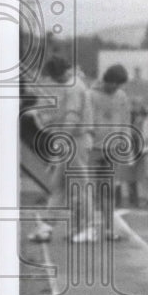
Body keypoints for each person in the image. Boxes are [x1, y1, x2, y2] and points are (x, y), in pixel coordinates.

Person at [27, 54, 94, 243]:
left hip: (77, 140)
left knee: (79, 185)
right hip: (71, 139)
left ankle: (88, 228)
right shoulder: (72, 84)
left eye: (52, 75)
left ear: (58, 73)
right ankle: (47, 226)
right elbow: (63, 114)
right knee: (59, 185)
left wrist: (61, 140)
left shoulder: (73, 86)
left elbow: (72, 116)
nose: (52, 79)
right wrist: (41, 116)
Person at [86, 63, 132, 242]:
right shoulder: (90, 95)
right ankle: (88, 228)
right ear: (107, 79)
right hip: (93, 149)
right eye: (114, 83)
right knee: (89, 189)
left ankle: (109, 229)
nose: (116, 87)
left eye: (119, 85)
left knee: (109, 191)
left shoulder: (121, 96)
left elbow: (125, 122)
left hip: (112, 150)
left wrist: (125, 147)